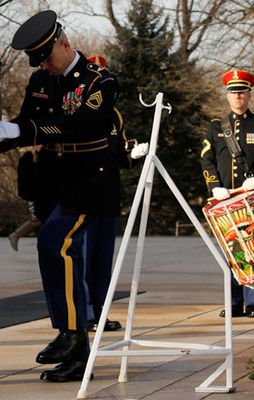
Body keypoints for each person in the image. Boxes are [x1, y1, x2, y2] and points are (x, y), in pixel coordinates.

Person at [0, 10, 120, 383]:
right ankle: (74, 344)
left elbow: (80, 125)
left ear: (64, 43)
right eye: (38, 60)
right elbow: (29, 124)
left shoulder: (98, 80)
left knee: (55, 241)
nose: (44, 64)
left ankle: (72, 333)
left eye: (46, 56)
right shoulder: (42, 79)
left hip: (91, 181)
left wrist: (20, 128)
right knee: (54, 250)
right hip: (57, 181)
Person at [83, 55, 148, 332]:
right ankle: (83, 312)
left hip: (107, 197)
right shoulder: (77, 110)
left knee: (102, 261)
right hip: (82, 196)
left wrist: (133, 156)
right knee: (83, 260)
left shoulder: (114, 115)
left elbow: (120, 155)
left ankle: (100, 312)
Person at [200, 69, 254, 318]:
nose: (237, 97)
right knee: (231, 250)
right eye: (233, 93)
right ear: (228, 96)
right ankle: (234, 303)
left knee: (252, 248)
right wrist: (214, 187)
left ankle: (252, 302)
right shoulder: (216, 127)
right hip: (226, 199)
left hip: (251, 198)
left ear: (249, 94)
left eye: (242, 92)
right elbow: (206, 160)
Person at [8, 146, 42, 251]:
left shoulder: (36, 157)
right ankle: (16, 235)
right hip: (35, 195)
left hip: (37, 194)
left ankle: (16, 235)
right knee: (36, 219)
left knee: (39, 219)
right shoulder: (29, 157)